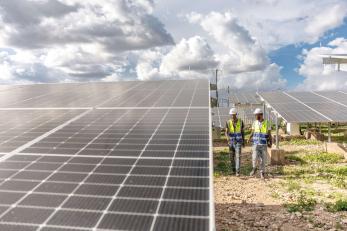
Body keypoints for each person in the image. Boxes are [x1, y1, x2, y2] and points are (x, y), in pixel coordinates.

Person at [248, 108, 272, 179]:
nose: (256, 117)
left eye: (257, 115)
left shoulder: (267, 123)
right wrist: (249, 138)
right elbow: (252, 132)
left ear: (261, 115)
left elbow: (269, 134)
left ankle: (262, 173)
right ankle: (254, 168)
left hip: (263, 144)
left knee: (263, 160)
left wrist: (270, 142)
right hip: (255, 144)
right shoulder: (255, 123)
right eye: (255, 115)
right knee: (254, 157)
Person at [225, 108, 245, 176]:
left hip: (238, 142)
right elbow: (226, 132)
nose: (232, 116)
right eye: (231, 115)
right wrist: (227, 139)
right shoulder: (228, 122)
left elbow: (242, 132)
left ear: (236, 114)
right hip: (231, 142)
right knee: (231, 157)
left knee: (238, 156)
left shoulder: (240, 121)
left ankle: (237, 171)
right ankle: (233, 170)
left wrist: (243, 141)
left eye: (234, 115)